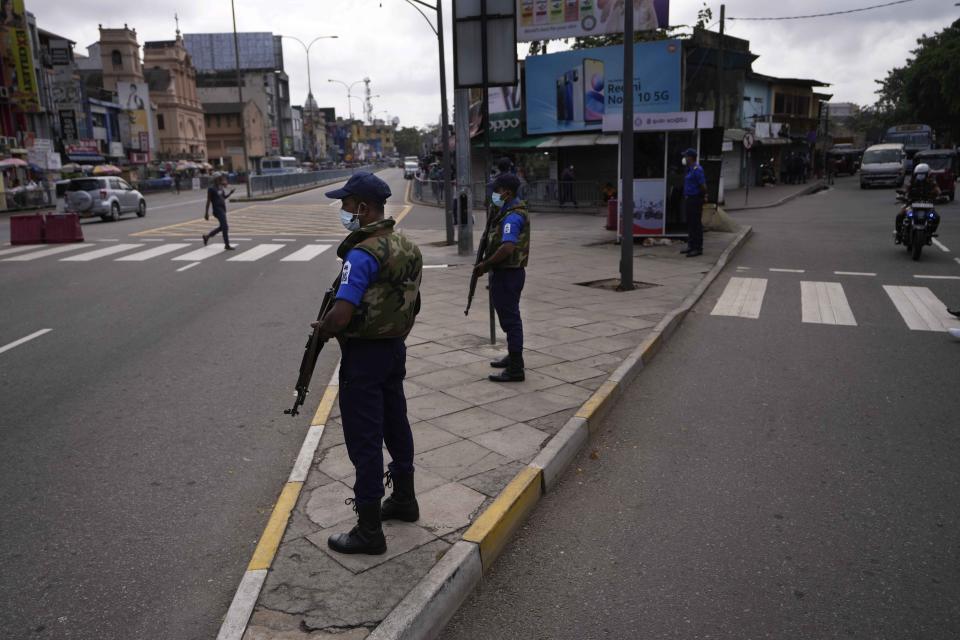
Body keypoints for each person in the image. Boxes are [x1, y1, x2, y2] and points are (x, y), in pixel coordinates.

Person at [317, 171, 423, 555]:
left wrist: (324, 329)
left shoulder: (361, 254)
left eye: (346, 204)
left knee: (364, 440)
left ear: (362, 207)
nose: (343, 210)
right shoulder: (408, 247)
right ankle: (405, 500)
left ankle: (368, 529)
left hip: (363, 357)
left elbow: (343, 313)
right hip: (395, 348)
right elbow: (413, 303)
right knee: (397, 424)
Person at [474, 173, 530, 382]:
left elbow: (507, 247)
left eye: (496, 190)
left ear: (506, 191)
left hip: (508, 274)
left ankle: (516, 369)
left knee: (511, 321)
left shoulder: (512, 217)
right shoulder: (507, 210)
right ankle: (514, 357)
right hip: (508, 273)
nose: (493, 194)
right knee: (509, 319)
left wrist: (485, 265)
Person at [895, 163, 940, 243]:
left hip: (927, 205)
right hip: (912, 204)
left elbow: (937, 191)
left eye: (923, 174)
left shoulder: (931, 182)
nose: (921, 176)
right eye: (919, 174)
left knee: (936, 217)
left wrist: (938, 195)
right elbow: (906, 188)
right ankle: (898, 235)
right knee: (900, 215)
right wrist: (902, 194)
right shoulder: (912, 181)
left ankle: (930, 233)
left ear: (928, 174)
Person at [680, 148, 707, 257]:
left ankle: (698, 248)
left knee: (696, 224)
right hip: (689, 199)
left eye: (686, 156)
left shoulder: (697, 169)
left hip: (695, 199)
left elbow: (703, 186)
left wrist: (703, 195)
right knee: (690, 223)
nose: (685, 158)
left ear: (690, 157)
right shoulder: (690, 169)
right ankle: (691, 246)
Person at [203, 173, 236, 249]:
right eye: (219, 178)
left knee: (222, 227)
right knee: (225, 226)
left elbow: (223, 197)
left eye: (220, 178)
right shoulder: (211, 189)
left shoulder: (221, 187)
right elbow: (208, 201)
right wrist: (206, 213)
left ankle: (207, 236)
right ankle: (227, 245)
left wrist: (230, 193)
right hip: (217, 210)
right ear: (215, 179)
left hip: (223, 209)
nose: (220, 179)